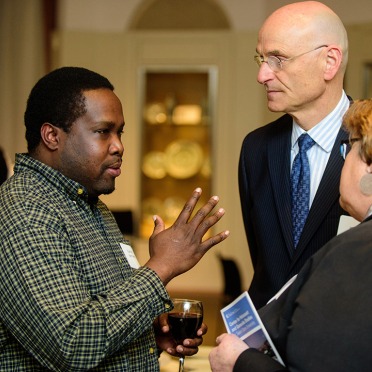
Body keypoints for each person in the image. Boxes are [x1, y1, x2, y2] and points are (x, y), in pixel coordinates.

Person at [0, 66, 230, 370]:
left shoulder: (91, 205)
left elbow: (102, 314)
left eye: (119, 132)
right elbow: (72, 344)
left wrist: (148, 339)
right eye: (102, 131)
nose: (119, 145)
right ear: (52, 136)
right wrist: (161, 267)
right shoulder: (25, 210)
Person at [209, 99, 372, 371]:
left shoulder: (355, 250)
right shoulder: (256, 148)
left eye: (348, 149)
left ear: (368, 166)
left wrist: (240, 361)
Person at [238, 1, 351, 308]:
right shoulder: (256, 149)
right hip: (266, 349)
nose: (262, 75)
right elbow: (265, 266)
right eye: (261, 59)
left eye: (278, 59)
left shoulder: (366, 142)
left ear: (329, 62)